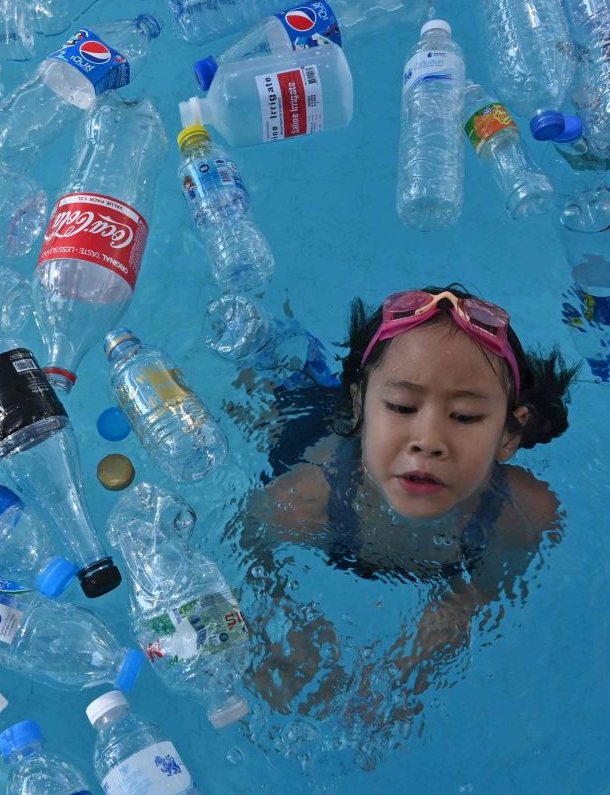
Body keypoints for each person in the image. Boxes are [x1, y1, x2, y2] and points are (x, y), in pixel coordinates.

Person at [233, 283, 576, 739]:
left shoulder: (519, 516)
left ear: (509, 435)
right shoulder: (307, 498)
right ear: (362, 406)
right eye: (401, 406)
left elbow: (474, 594)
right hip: (307, 432)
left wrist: (405, 670)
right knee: (276, 389)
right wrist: (276, 616)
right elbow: (251, 536)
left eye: (465, 416)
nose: (428, 440)